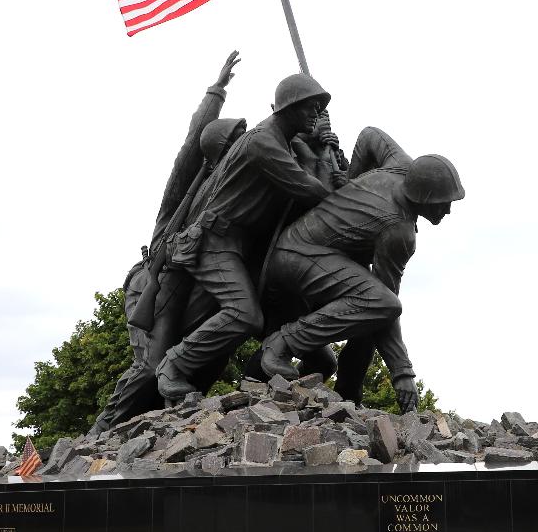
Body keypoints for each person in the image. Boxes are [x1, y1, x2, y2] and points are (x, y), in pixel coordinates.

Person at [155, 73, 346, 399]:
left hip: (248, 251)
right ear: (291, 106)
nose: (316, 113)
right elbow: (310, 190)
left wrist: (326, 148)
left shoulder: (286, 142)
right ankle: (172, 365)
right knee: (245, 315)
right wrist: (323, 165)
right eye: (311, 106)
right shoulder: (263, 142)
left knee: (320, 355)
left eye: (319, 108)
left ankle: (259, 386)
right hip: (216, 241)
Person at [86, 53, 246, 436]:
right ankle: (97, 436)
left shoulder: (232, 191)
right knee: (149, 366)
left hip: (186, 285)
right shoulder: (188, 190)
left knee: (202, 363)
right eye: (236, 142)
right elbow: (190, 146)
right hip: (151, 285)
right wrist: (216, 92)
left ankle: (161, 431)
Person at [259, 126, 464, 412]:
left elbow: (370, 136)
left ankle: (347, 397)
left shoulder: (402, 167)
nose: (448, 210)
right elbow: (386, 309)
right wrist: (402, 373)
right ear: (423, 197)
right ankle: (282, 343)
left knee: (371, 313)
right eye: (444, 202)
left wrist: (350, 181)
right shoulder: (398, 231)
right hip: (297, 258)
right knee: (381, 304)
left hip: (303, 250)